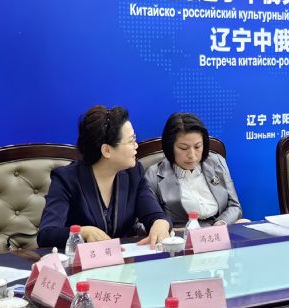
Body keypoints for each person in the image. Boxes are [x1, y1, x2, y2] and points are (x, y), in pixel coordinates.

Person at [38, 105, 169, 249]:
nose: (136, 146)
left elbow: (155, 215)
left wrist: (160, 223)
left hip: (125, 259)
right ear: (106, 150)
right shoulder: (66, 179)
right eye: (131, 141)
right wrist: (82, 232)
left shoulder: (134, 173)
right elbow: (46, 235)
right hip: (83, 261)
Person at [145, 113, 243, 227]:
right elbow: (146, 221)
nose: (192, 155)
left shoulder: (216, 162)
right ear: (170, 146)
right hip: (181, 234)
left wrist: (221, 223)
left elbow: (234, 206)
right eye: (183, 148)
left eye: (197, 147)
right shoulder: (153, 175)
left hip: (218, 230)